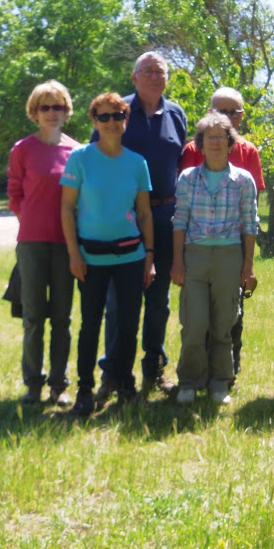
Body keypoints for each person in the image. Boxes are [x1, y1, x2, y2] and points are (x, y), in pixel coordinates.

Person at [94, 52, 187, 405]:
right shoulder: (118, 111)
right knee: (118, 302)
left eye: (159, 70)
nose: (153, 75)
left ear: (166, 77)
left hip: (164, 217)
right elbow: (98, 156)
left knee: (158, 300)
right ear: (134, 78)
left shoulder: (176, 114)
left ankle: (154, 368)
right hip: (124, 219)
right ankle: (113, 374)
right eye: (146, 71)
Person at [60, 93, 156, 416]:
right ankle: (85, 390)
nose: (111, 122)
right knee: (90, 326)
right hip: (91, 258)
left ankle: (125, 384)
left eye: (118, 115)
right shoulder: (80, 159)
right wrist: (74, 254)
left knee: (129, 325)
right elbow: (67, 207)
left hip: (131, 256)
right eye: (104, 117)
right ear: (94, 121)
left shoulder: (137, 163)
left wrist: (150, 257)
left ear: (126, 120)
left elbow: (144, 214)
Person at [171, 112, 258, 404]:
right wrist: (177, 262)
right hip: (194, 256)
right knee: (194, 324)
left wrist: (248, 266)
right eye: (211, 137)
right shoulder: (187, 178)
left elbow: (250, 223)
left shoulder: (242, 180)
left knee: (223, 324)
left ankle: (220, 382)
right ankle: (189, 381)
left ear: (230, 142)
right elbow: (179, 220)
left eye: (222, 136)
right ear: (201, 144)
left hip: (229, 255)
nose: (217, 142)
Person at [7, 80, 80, 406]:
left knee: (62, 319)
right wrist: (32, 224)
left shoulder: (78, 152)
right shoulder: (22, 149)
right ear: (34, 112)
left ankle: (58, 385)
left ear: (66, 111)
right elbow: (14, 196)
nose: (52, 113)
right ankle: (33, 384)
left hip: (68, 246)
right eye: (45, 107)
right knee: (34, 318)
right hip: (33, 245)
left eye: (58, 106)